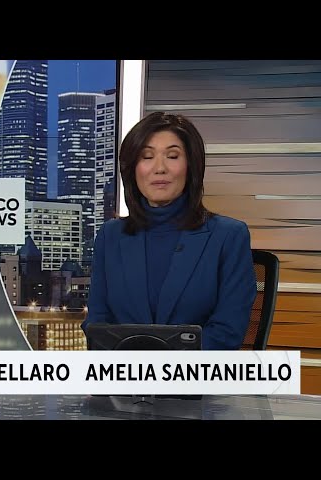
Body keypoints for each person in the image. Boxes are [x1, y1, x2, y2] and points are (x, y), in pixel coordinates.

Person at [82, 112, 256, 350]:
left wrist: (162, 371)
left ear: (191, 166)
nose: (159, 168)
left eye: (172, 156)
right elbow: (97, 325)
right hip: (124, 381)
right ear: (132, 169)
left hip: (197, 382)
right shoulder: (110, 236)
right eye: (147, 156)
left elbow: (227, 332)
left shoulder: (228, 236)